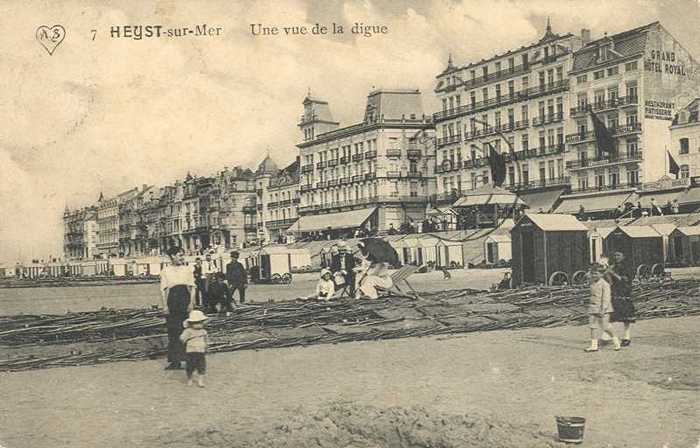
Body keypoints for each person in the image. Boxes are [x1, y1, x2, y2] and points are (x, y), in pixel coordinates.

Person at [160, 246, 196, 370]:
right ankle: (175, 361)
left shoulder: (187, 269)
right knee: (173, 330)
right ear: (172, 256)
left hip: (184, 298)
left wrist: (191, 303)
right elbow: (163, 289)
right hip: (172, 300)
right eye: (180, 255)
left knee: (186, 329)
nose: (182, 257)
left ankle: (189, 360)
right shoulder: (165, 271)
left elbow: (192, 287)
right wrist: (165, 305)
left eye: (182, 255)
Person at [586, 264, 621, 352]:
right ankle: (594, 346)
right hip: (593, 307)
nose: (594, 275)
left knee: (605, 326)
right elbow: (587, 276)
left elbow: (606, 298)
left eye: (596, 273)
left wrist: (603, 309)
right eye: (593, 273)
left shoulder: (605, 284)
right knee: (592, 326)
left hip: (603, 308)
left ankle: (616, 340)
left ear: (601, 274)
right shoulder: (592, 282)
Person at [606, 252, 635, 347]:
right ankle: (608, 336)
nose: (616, 257)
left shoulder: (627, 267)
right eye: (614, 255)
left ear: (623, 256)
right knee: (612, 314)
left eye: (618, 255)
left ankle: (627, 337)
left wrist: (612, 273)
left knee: (626, 316)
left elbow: (624, 280)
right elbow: (610, 282)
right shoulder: (613, 266)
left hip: (624, 291)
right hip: (615, 291)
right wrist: (608, 274)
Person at [180, 309, 208, 387]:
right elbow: (182, 338)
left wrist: (206, 346)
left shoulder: (203, 331)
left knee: (201, 366)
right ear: (191, 323)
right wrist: (185, 341)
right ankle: (190, 379)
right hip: (191, 351)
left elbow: (206, 340)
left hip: (200, 351)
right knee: (190, 366)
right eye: (196, 323)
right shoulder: (188, 331)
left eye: (201, 323)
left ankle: (200, 381)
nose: (199, 325)